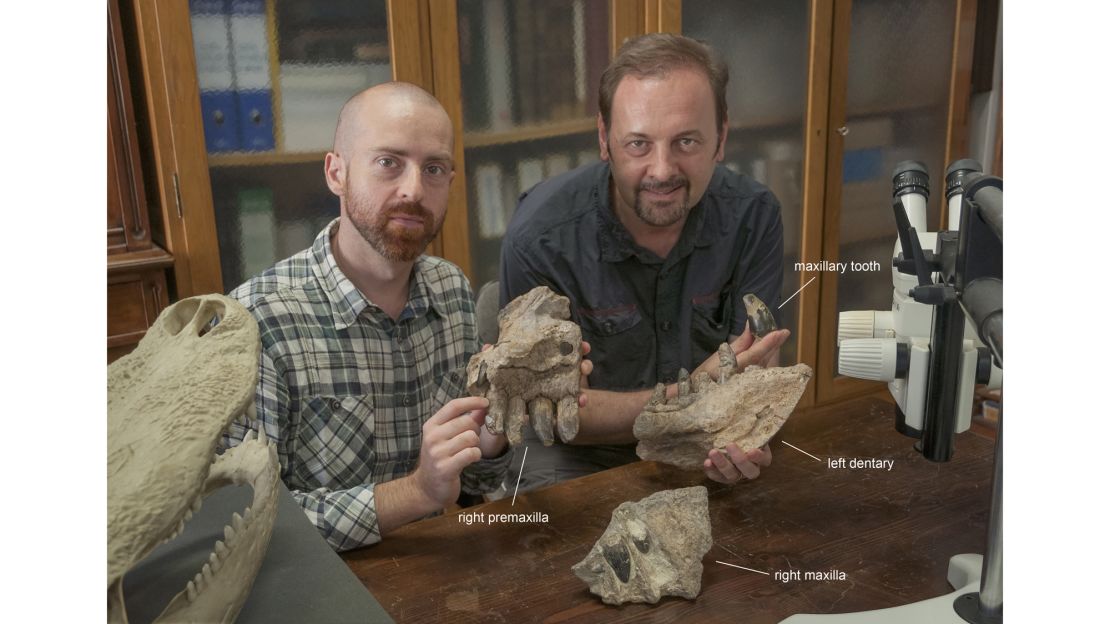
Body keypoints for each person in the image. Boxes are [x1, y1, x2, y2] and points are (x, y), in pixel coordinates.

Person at [221, 83, 513, 552]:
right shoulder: (257, 323)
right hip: (323, 589)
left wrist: (495, 427)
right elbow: (247, 525)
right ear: (336, 172)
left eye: (433, 168)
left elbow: (473, 481)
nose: (414, 190)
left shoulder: (451, 289)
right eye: (388, 162)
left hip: (442, 566)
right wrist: (416, 492)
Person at [500, 33, 791, 490]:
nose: (661, 170)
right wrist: (692, 393)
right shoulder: (539, 237)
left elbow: (754, 373)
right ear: (604, 139)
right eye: (638, 144)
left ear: (721, 139)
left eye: (687, 141)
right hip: (577, 457)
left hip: (705, 443)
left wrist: (743, 436)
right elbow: (553, 413)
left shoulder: (754, 217)